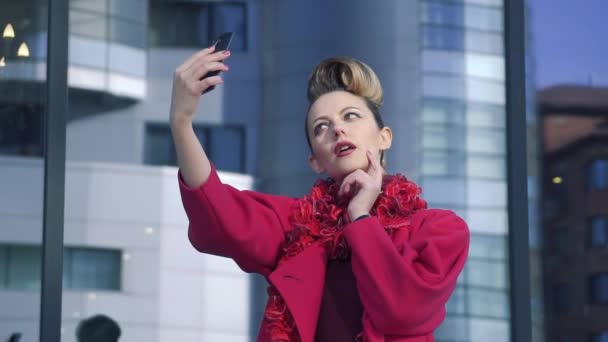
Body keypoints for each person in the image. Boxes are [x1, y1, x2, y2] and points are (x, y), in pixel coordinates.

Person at [170, 46, 469, 342]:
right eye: (321, 127)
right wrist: (181, 122)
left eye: (350, 116)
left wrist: (361, 217)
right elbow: (216, 211)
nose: (337, 129)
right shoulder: (295, 225)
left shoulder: (438, 230)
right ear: (315, 161)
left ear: (384, 137)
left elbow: (403, 313)